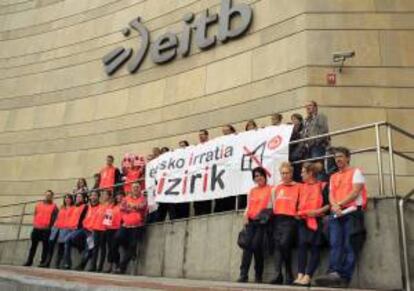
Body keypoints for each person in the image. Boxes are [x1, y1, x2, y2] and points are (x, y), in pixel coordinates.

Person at [314, 147, 367, 288]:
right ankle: (333, 273)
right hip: (337, 213)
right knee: (335, 244)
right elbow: (331, 194)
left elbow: (355, 192)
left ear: (348, 158)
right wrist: (335, 206)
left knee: (350, 245)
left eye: (341, 156)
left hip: (352, 213)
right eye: (336, 157)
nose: (338, 160)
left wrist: (338, 204)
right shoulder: (333, 176)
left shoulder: (357, 172)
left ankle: (344, 278)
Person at [294, 163, 330, 286]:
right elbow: (297, 204)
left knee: (315, 247)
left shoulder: (322, 185)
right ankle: (300, 275)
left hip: (317, 220)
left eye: (303, 172)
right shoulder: (301, 187)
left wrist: (317, 212)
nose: (300, 174)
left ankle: (308, 276)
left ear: (310, 173)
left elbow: (329, 204)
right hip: (303, 220)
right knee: (302, 247)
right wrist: (297, 213)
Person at [237, 167, 272, 283]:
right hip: (251, 222)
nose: (258, 178)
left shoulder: (271, 189)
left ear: (264, 176)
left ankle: (258, 276)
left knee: (257, 247)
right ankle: (243, 274)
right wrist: (245, 215)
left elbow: (271, 206)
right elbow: (248, 206)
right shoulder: (252, 191)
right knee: (247, 247)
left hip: (262, 222)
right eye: (256, 176)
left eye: (260, 175)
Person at [270, 162, 300, 285]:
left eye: (287, 173)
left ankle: (288, 272)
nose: (285, 175)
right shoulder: (276, 188)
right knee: (278, 246)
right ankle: (278, 275)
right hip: (278, 219)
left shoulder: (299, 186)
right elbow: (273, 205)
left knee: (284, 244)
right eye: (282, 173)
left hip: (291, 219)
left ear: (291, 173)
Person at [115, 182, 147, 274]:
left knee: (132, 245)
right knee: (118, 237)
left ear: (140, 189)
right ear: (131, 189)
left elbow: (142, 206)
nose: (136, 189)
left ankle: (122, 267)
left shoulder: (143, 198)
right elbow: (121, 207)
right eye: (134, 187)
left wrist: (129, 207)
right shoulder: (126, 198)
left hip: (138, 225)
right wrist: (133, 208)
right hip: (126, 224)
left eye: (137, 187)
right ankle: (131, 252)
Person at [23, 190, 58, 267]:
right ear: (44, 196)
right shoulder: (38, 205)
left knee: (45, 246)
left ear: (52, 197)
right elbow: (35, 215)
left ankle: (43, 262)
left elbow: (55, 218)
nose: (48, 196)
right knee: (33, 246)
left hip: (46, 229)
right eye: (46, 195)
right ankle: (29, 261)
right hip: (37, 228)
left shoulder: (54, 207)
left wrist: (49, 227)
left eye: (49, 195)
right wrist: (35, 224)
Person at [75, 190, 103, 271]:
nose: (93, 197)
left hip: (92, 231)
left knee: (90, 247)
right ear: (90, 197)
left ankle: (83, 265)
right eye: (92, 195)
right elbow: (82, 217)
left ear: (98, 197)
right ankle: (81, 248)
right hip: (84, 228)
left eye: (95, 195)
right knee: (72, 238)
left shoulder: (100, 207)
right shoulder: (87, 206)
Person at [45, 194, 74, 268]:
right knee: (51, 244)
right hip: (56, 228)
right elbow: (57, 217)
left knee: (61, 246)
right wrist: (54, 226)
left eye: (68, 198)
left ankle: (57, 263)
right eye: (65, 198)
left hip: (65, 229)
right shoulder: (62, 207)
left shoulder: (73, 208)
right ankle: (47, 262)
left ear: (71, 200)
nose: (67, 199)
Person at [62, 193, 88, 270]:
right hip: (73, 229)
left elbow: (84, 219)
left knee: (68, 239)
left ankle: (80, 247)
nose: (78, 198)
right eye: (77, 197)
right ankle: (67, 263)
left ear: (83, 198)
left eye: (80, 197)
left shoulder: (85, 206)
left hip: (81, 228)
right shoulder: (74, 207)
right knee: (67, 241)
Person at [103, 191, 123, 273]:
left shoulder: (124, 205)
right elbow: (107, 217)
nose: (119, 197)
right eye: (117, 196)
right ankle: (110, 265)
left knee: (114, 247)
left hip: (118, 228)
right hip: (109, 229)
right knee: (110, 247)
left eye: (120, 196)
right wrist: (106, 227)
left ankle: (116, 265)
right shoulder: (111, 206)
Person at [194, 129, 212, 216]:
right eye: (199, 135)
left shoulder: (212, 145)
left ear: (207, 135)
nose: (200, 136)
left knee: (206, 196)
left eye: (202, 134)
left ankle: (206, 213)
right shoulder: (196, 147)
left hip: (208, 175)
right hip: (198, 176)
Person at [289, 113, 305, 182]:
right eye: (292, 120)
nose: (293, 121)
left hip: (299, 155)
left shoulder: (303, 130)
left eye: (295, 119)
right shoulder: (290, 130)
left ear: (300, 120)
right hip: (293, 155)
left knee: (298, 173)